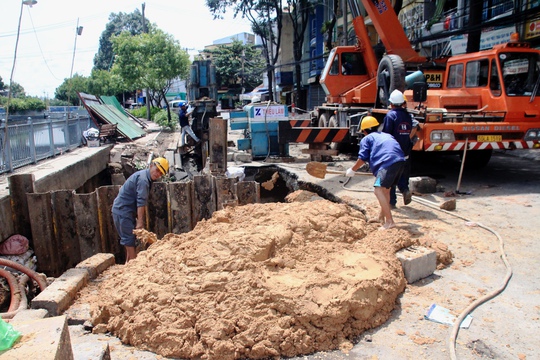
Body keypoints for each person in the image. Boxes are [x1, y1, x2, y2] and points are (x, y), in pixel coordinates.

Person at [346, 116, 406, 230]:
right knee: (386, 191)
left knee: (378, 190)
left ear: (364, 131)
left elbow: (362, 158)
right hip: (400, 162)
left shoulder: (367, 139)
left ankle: (390, 222)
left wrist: (352, 169)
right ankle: (381, 218)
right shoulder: (386, 135)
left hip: (387, 163)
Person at [112, 157, 169, 263]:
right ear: (151, 165)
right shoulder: (143, 180)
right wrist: (140, 222)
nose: (158, 174)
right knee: (129, 242)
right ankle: (133, 269)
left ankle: (128, 266)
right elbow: (141, 202)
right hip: (122, 211)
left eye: (161, 173)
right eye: (157, 170)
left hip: (125, 211)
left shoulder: (144, 176)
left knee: (130, 241)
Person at [382, 89, 414, 208]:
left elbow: (386, 134)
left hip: (393, 152)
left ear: (391, 104)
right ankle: (405, 190)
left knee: (390, 178)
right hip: (406, 151)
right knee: (403, 175)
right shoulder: (408, 116)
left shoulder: (390, 116)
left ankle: (391, 202)